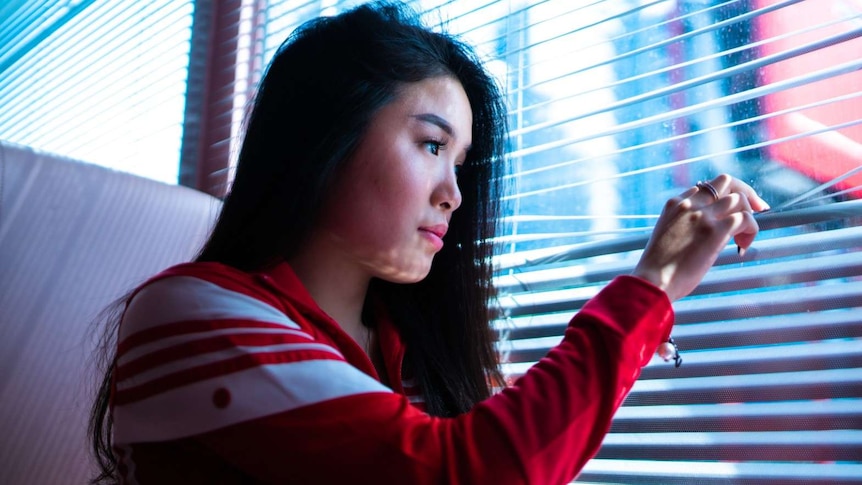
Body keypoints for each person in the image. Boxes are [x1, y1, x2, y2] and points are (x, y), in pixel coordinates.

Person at [89, 1, 770, 484]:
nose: (455, 193)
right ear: (325, 137)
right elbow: (462, 471)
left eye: (461, 162)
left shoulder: (411, 360)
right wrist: (648, 288)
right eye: (431, 144)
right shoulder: (187, 314)